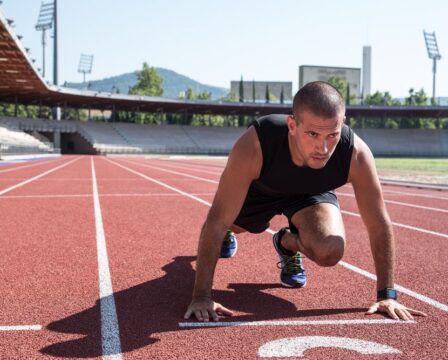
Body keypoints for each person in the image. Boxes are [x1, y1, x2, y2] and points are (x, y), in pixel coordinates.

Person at [184, 81, 427, 322]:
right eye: (312, 134)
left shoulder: (355, 154)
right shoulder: (257, 144)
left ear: (342, 124)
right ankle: (232, 231)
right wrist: (202, 296)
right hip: (261, 191)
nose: (323, 148)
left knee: (330, 250)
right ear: (292, 125)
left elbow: (378, 222)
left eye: (332, 134)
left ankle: (286, 243)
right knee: (227, 223)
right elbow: (214, 222)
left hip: (310, 194)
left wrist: (387, 294)